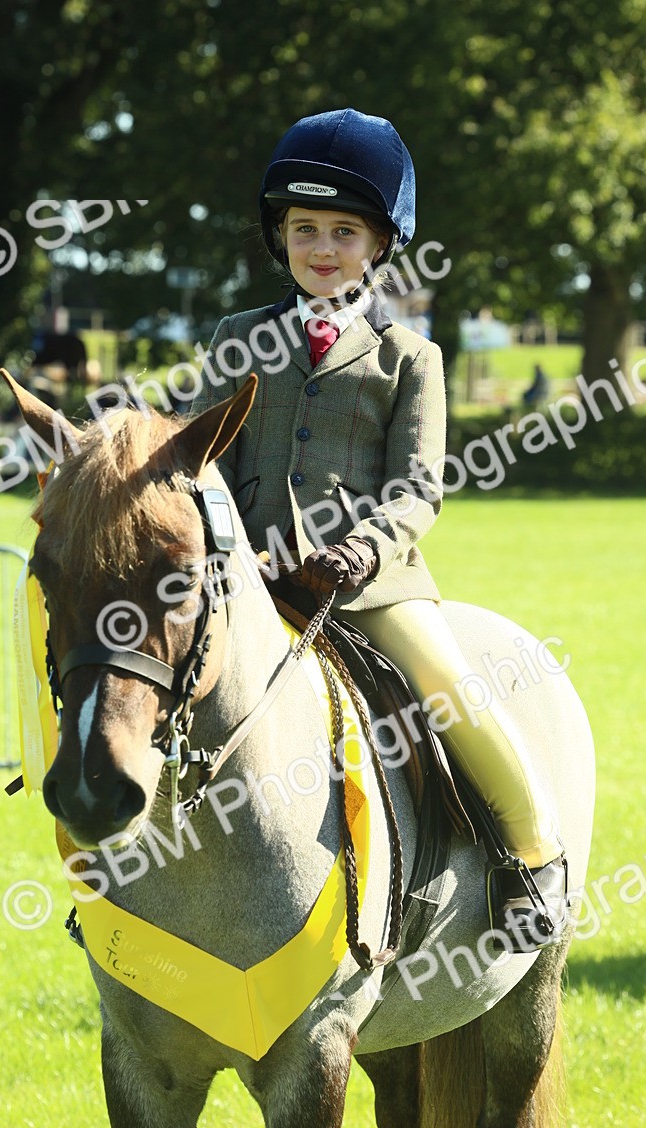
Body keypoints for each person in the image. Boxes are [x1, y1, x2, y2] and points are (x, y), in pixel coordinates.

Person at [190, 108, 567, 952]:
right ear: (279, 235)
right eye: (305, 229)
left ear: (380, 245)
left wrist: (360, 549)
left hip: (367, 579)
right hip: (246, 575)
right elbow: (195, 452)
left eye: (343, 232)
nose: (321, 247)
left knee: (449, 686)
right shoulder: (235, 337)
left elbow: (419, 488)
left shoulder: (411, 357)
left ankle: (532, 855)